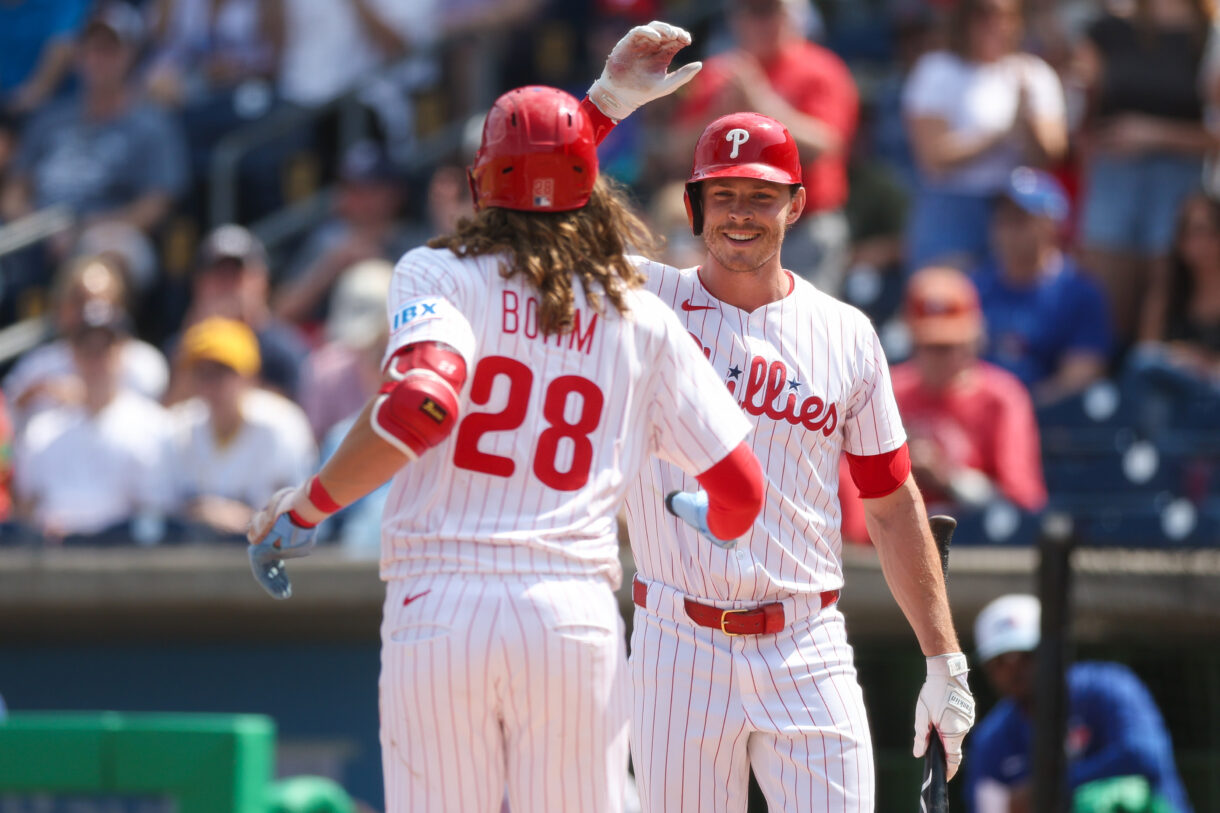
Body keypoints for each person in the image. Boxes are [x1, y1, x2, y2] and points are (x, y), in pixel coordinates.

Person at [246, 22, 766, 813]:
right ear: (591, 184)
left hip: (439, 607)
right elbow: (742, 490)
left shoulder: (438, 270)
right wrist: (699, 512)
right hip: (570, 611)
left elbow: (420, 404)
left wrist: (309, 505)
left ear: (480, 181)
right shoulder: (639, 303)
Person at [610, 97, 975, 811]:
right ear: (694, 205)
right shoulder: (642, 301)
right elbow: (531, 231)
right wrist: (603, 107)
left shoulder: (844, 332)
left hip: (805, 639)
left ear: (797, 205)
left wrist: (944, 656)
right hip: (676, 638)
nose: (739, 213)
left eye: (760, 196)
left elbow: (894, 503)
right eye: (723, 195)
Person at [840, 266, 1046, 545]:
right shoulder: (887, 389)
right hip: (894, 543)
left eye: (949, 346)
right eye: (928, 345)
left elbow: (1022, 500)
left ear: (973, 340)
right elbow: (850, 481)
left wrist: (948, 477)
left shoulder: (1002, 397)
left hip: (977, 546)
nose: (938, 358)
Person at [671, 0, 859, 294]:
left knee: (802, 328)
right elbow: (676, 151)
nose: (759, 21)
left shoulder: (821, 69)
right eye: (750, 11)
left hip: (801, 225)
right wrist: (718, 112)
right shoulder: (718, 73)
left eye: (769, 10)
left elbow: (827, 144)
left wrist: (760, 100)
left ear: (793, 16)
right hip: (730, 222)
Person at [1072, 0, 1216, 343]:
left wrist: (1153, 134)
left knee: (1162, 306)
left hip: (1180, 186)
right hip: (1113, 180)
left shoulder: (1211, 36)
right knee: (1103, 308)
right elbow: (1082, 112)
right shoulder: (1109, 29)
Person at [966, 594, 1193, 813]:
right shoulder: (992, 738)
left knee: (1116, 797)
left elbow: (1144, 755)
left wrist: (1049, 789)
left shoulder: (1109, 687)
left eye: (1026, 655)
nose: (1014, 670)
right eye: (1000, 662)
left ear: (1053, 652)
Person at [902, 0, 1067, 272]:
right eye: (983, 15)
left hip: (1017, 207)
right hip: (952, 210)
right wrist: (1000, 134)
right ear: (965, 19)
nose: (994, 25)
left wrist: (1027, 121)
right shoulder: (936, 70)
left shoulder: (1034, 74)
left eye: (1005, 16)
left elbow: (1053, 153)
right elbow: (934, 157)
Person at [11, 299, 173, 543]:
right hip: (52, 564)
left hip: (126, 564)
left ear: (122, 351)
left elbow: (156, 515)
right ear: (73, 354)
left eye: (105, 347)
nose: (96, 359)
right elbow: (26, 508)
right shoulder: (42, 430)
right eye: (87, 348)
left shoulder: (155, 426)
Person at [972, 167, 1112, 404]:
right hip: (979, 415)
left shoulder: (1079, 293)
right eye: (1002, 219)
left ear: (1051, 225)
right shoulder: (975, 286)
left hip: (1050, 426)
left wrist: (1016, 411)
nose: (1007, 229)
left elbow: (1081, 376)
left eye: (1019, 220)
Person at [168, 317, 315, 541]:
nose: (211, 384)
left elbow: (303, 515)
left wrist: (246, 519)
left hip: (267, 553)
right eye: (202, 373)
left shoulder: (282, 424)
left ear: (250, 375)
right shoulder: (179, 426)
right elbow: (160, 512)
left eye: (222, 372)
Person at [3, 254, 169, 428]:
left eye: (101, 302)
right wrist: (34, 393)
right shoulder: (37, 366)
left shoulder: (144, 363)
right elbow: (6, 429)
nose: (90, 312)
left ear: (120, 308)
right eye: (80, 301)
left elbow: (158, 428)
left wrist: (96, 397)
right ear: (62, 308)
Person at [168, 224, 308, 399]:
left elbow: (291, 417)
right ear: (198, 284)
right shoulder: (180, 348)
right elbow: (169, 414)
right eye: (218, 276)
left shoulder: (285, 349)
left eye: (237, 275)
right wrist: (193, 340)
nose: (227, 287)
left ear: (262, 282)